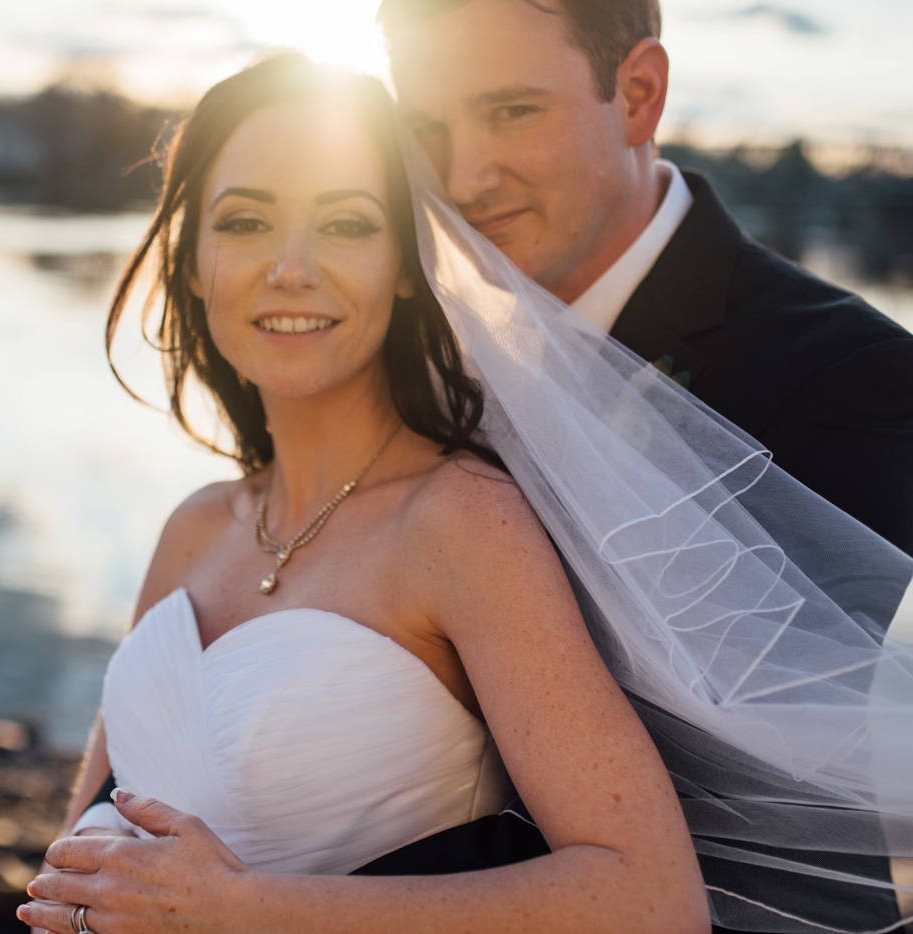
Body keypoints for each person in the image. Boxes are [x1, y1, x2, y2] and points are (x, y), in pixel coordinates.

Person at [20, 53, 710, 934]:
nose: (291, 268)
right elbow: (80, 855)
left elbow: (652, 899)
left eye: (345, 224)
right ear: (194, 263)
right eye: (246, 222)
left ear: (405, 265)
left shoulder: (459, 521)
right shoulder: (192, 530)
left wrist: (244, 911)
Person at [375, 1, 913, 930]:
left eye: (511, 112)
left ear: (637, 94)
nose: (462, 176)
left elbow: (758, 796)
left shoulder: (849, 375)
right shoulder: (431, 359)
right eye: (426, 126)